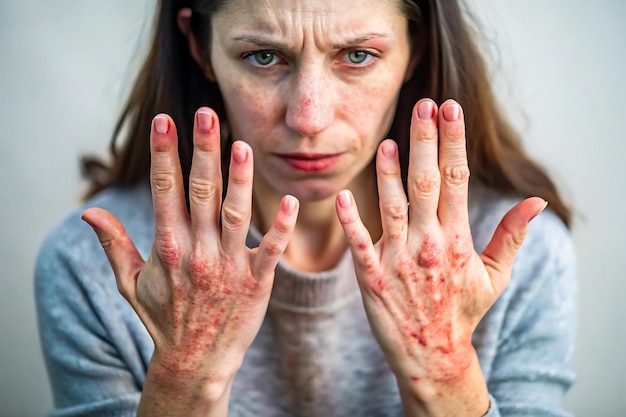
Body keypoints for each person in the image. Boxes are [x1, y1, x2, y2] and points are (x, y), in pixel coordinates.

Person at [35, 0, 577, 416]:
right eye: (263, 56)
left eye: (358, 55)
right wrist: (184, 376)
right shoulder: (98, 267)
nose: (308, 118)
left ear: (419, 48)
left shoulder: (509, 255)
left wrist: (444, 368)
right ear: (200, 50)